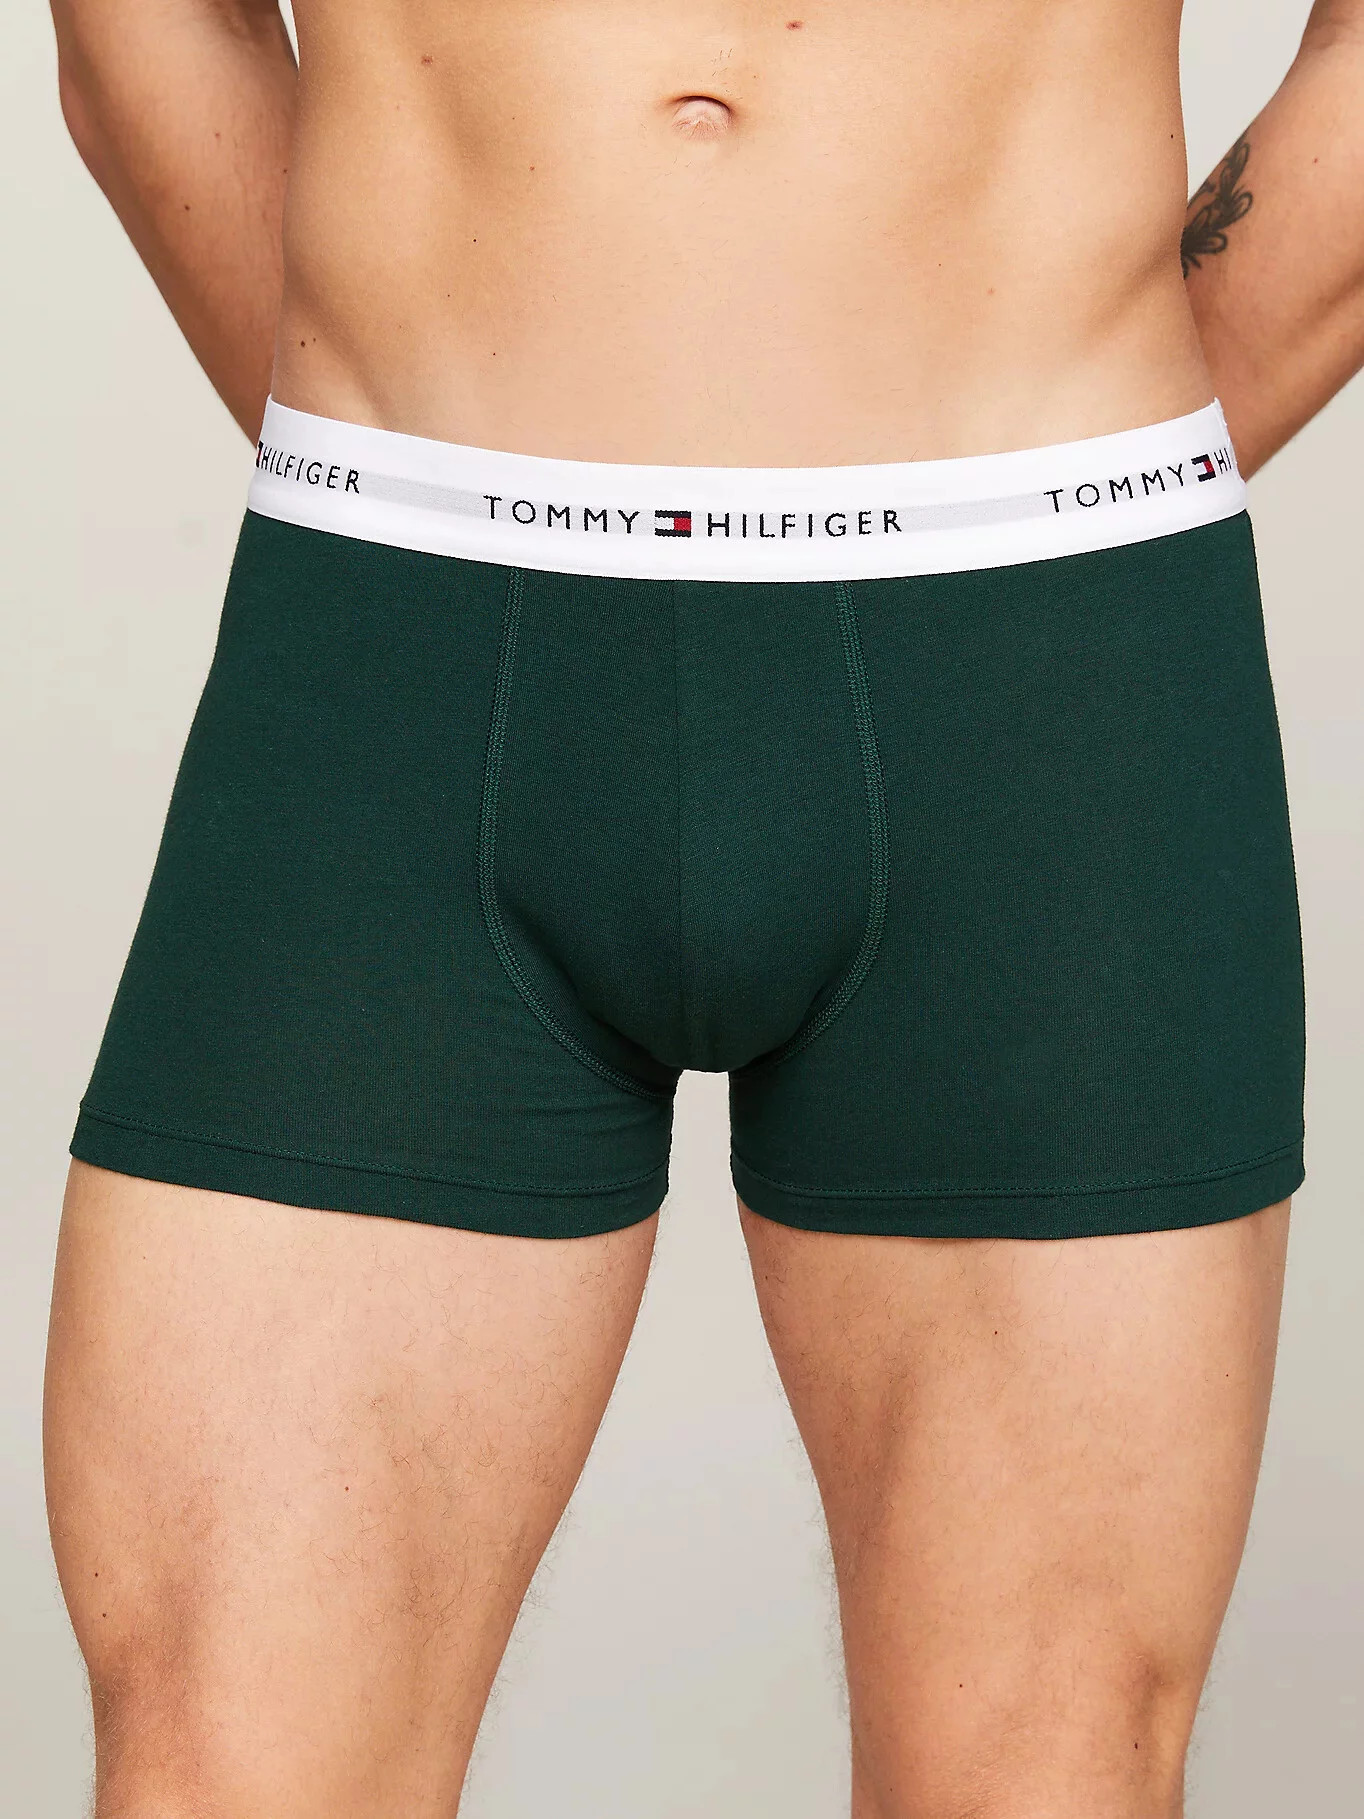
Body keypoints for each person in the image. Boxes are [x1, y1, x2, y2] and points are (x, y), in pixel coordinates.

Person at [40, 1, 1360, 1813]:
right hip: (408, 644)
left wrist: (1095, 463)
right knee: (229, 1763)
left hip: (1040, 668)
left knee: (1042, 1770)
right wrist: (412, 429)